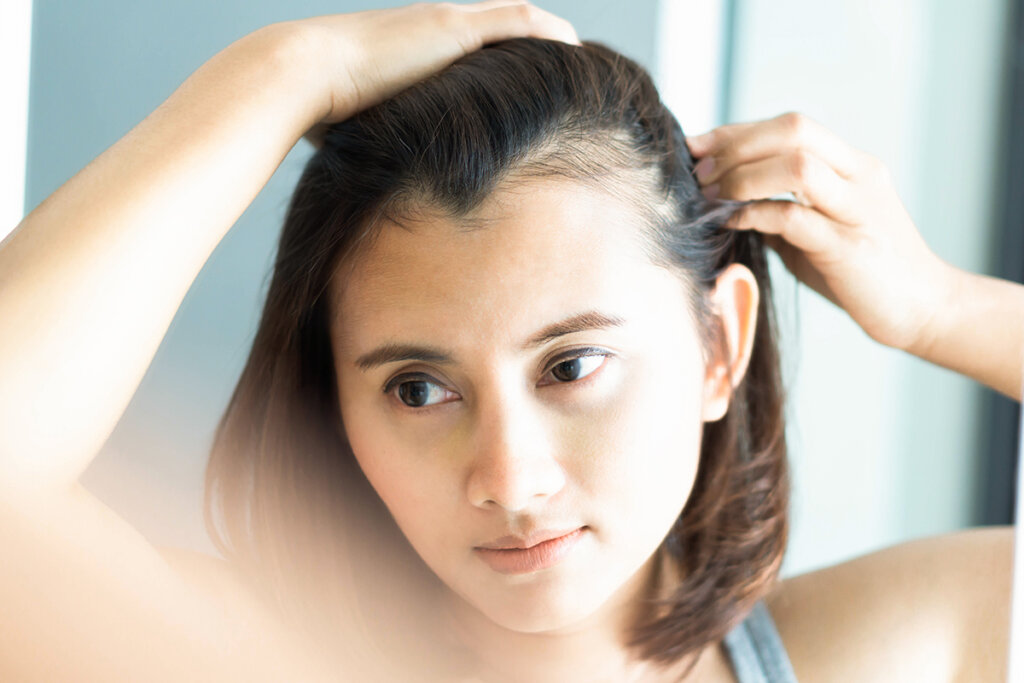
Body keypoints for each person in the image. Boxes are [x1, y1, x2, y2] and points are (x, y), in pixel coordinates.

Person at [0, 2, 1017, 681]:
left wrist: (939, 309)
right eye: (416, 388)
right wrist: (286, 72)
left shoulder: (909, 647)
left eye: (571, 365)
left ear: (719, 343)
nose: (508, 476)